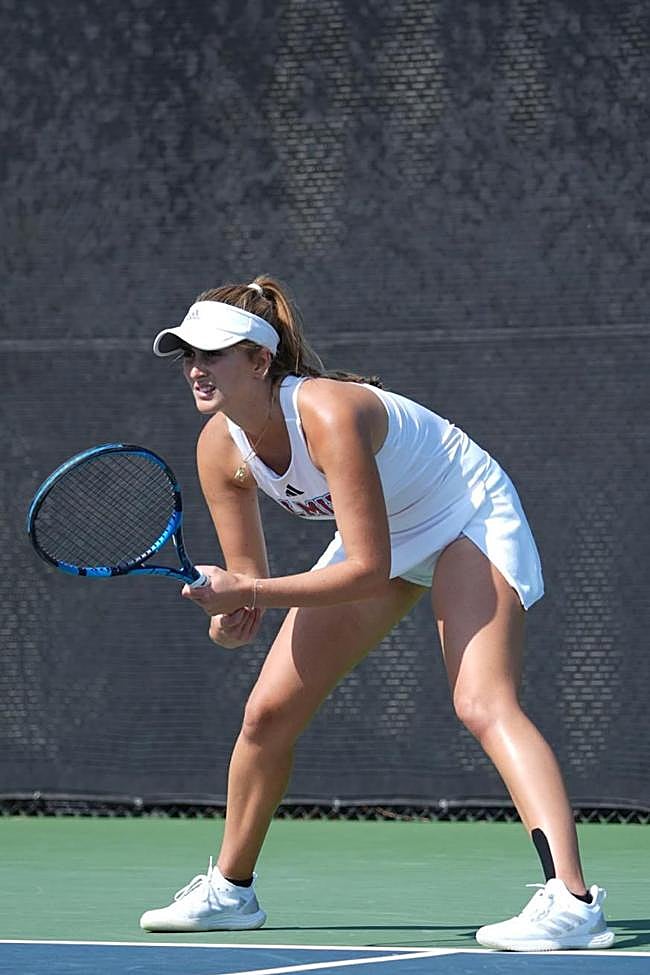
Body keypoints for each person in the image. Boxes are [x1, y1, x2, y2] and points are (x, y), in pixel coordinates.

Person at [139, 276, 614, 952]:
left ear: (260, 360)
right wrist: (231, 612)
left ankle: (572, 901)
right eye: (188, 354)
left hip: (464, 514)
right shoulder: (220, 448)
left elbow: (363, 569)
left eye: (213, 353)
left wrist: (249, 592)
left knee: (482, 701)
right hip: (386, 535)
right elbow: (250, 580)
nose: (195, 367)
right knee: (266, 713)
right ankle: (230, 891)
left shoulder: (328, 413)